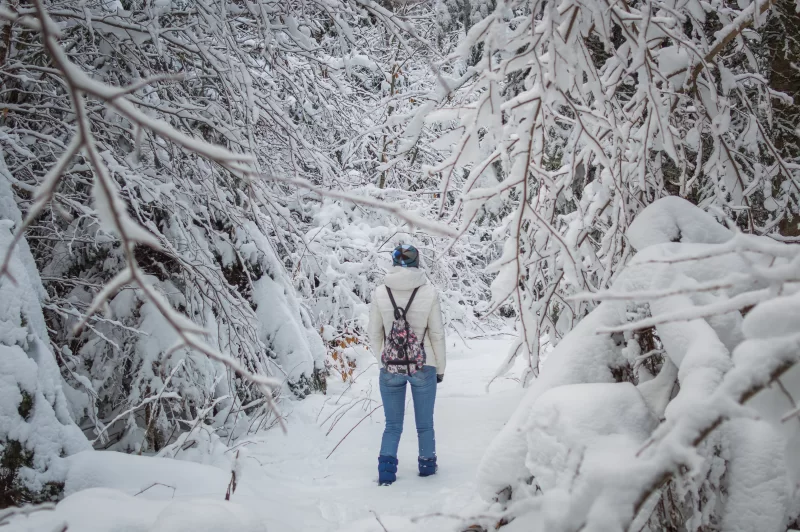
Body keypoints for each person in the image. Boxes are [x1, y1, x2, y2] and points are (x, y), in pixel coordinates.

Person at [368, 244, 446, 486]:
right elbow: (437, 334)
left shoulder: (380, 293)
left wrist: (384, 359)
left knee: (392, 424)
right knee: (425, 424)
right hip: (425, 365)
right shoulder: (429, 292)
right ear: (416, 262)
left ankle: (386, 473)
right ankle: (427, 469)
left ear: (394, 262)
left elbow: (374, 334)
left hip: (390, 366)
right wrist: (440, 369)